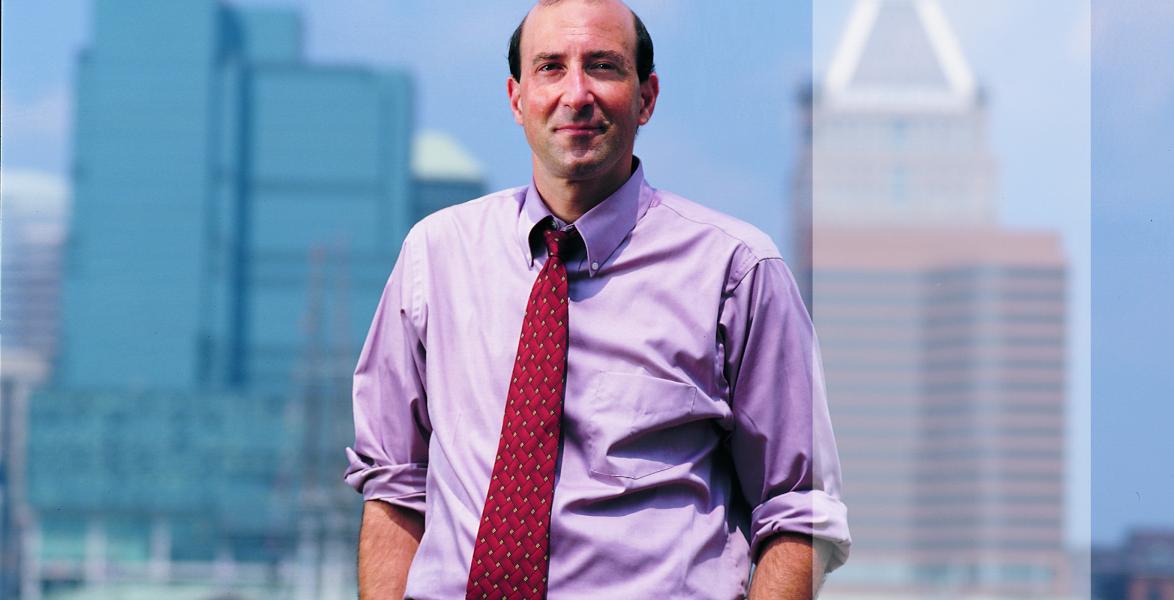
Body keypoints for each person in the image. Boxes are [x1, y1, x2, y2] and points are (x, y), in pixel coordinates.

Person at [344, 0, 850, 597]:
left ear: (646, 97)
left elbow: (797, 508)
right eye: (551, 67)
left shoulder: (735, 271)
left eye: (604, 66)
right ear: (516, 98)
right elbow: (395, 486)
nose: (576, 93)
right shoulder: (435, 256)